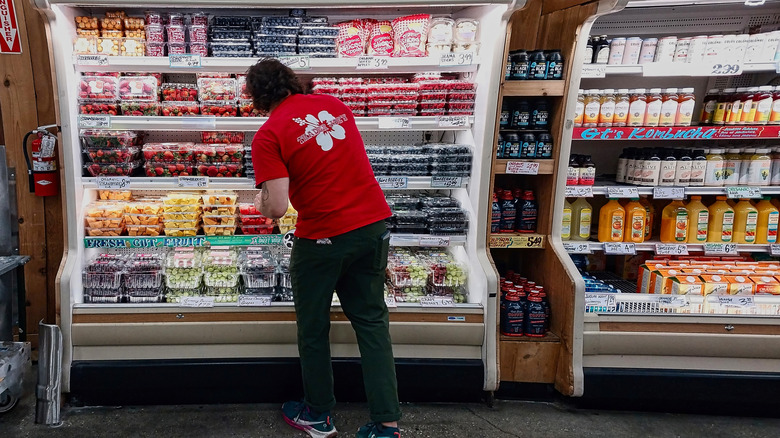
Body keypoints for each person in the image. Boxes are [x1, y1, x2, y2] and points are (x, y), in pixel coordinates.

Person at [247, 58, 402, 438]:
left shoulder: (268, 134)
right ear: (291, 83)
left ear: (256, 98)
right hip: (373, 225)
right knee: (372, 323)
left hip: (323, 237)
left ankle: (318, 415)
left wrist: (260, 203)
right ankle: (387, 423)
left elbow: (278, 206)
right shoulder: (336, 106)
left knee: (314, 328)